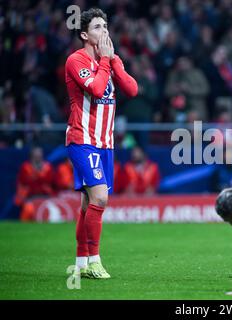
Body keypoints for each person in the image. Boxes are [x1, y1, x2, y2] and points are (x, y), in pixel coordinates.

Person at [65, 8, 138, 279]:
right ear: (84, 34)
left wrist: (114, 61)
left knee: (87, 204)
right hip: (82, 140)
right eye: (97, 27)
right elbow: (95, 89)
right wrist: (106, 61)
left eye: (106, 25)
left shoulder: (110, 59)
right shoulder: (76, 60)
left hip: (105, 143)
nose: (104, 31)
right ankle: (95, 260)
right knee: (100, 198)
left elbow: (132, 90)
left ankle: (81, 262)